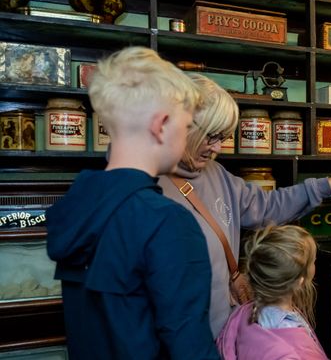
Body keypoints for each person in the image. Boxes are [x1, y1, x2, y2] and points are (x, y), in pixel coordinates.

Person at [158, 74, 331, 337]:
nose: (218, 147)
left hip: (222, 337)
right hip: (176, 341)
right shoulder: (145, 186)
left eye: (223, 137)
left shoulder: (217, 173)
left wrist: (325, 185)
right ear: (184, 125)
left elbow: (266, 207)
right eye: (212, 136)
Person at [46, 47, 219, 359]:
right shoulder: (168, 222)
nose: (186, 136)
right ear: (161, 124)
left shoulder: (77, 206)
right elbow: (189, 345)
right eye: (187, 125)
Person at [216, 224, 327, 359]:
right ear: (299, 281)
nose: (314, 264)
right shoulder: (290, 347)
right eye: (313, 261)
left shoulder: (243, 314)